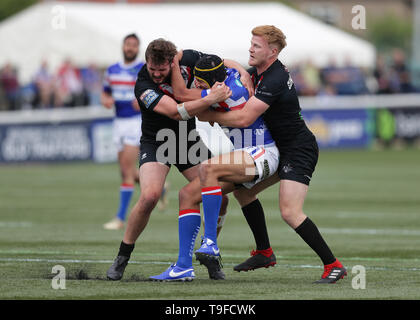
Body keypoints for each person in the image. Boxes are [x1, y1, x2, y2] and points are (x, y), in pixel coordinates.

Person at [197, 25, 347, 284]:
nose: (250, 49)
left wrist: (208, 114)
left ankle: (333, 265)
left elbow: (244, 118)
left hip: (298, 149)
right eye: (251, 44)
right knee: (244, 192)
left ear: (273, 51)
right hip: (278, 148)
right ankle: (264, 252)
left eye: (256, 46)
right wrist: (243, 70)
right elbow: (224, 64)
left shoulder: (275, 78)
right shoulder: (258, 71)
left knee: (290, 212)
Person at [106, 38, 251, 281]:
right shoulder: (143, 83)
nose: (156, 74)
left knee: (221, 199)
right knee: (150, 196)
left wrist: (243, 71)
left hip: (187, 140)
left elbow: (220, 62)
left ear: (173, 61)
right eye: (152, 68)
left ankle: (209, 254)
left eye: (162, 70)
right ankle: (122, 256)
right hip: (157, 141)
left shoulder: (189, 59)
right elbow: (175, 111)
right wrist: (209, 98)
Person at [149, 54, 279, 281]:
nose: (196, 83)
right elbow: (222, 61)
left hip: (263, 153)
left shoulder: (227, 93)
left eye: (199, 80)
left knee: (208, 168)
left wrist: (176, 61)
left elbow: (180, 95)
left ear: (212, 81)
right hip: (246, 155)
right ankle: (183, 267)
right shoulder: (229, 75)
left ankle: (210, 243)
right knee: (187, 195)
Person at [101, 33, 148, 230]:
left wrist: (142, 98)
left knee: (126, 172)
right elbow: (105, 92)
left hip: (134, 122)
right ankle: (160, 189)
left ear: (138, 49)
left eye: (134, 45)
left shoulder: (142, 69)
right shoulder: (111, 70)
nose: (130, 48)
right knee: (125, 170)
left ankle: (120, 218)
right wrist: (105, 100)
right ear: (123, 46)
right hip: (118, 122)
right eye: (128, 44)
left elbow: (149, 90)